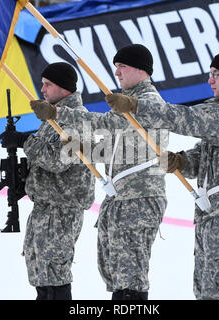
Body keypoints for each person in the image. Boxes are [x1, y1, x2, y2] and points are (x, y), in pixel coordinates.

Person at [105, 49, 219, 300]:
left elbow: (187, 118)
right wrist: (181, 161)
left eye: (216, 74)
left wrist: (137, 106)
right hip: (214, 224)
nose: (209, 80)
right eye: (209, 74)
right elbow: (204, 158)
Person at [30, 44, 168, 300]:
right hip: (120, 199)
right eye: (116, 67)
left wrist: (61, 113)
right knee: (116, 276)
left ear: (140, 69)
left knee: (129, 282)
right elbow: (117, 147)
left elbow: (108, 124)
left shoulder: (147, 103)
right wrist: (76, 149)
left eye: (122, 66)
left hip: (138, 200)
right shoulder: (130, 101)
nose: (117, 73)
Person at [3, 62, 95, 300]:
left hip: (62, 209)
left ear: (64, 88)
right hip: (46, 206)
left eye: (48, 84)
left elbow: (58, 160)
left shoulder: (77, 120)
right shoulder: (54, 115)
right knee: (41, 275)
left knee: (54, 277)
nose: (42, 90)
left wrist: (25, 140)